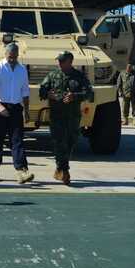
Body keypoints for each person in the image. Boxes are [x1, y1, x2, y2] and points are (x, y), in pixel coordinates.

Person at [39, 51, 93, 185]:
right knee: (59, 142)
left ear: (70, 61)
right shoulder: (52, 75)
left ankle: (60, 167)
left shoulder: (79, 76)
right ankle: (65, 171)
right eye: (58, 60)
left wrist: (75, 96)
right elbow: (42, 90)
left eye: (62, 61)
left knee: (71, 141)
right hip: (57, 116)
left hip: (73, 116)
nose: (59, 63)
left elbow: (89, 94)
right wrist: (49, 95)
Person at [0, 43, 34, 183]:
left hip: (15, 109)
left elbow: (25, 92)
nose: (12, 59)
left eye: (14, 57)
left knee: (17, 140)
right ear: (5, 55)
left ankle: (21, 171)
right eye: (10, 57)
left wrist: (26, 110)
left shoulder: (22, 70)